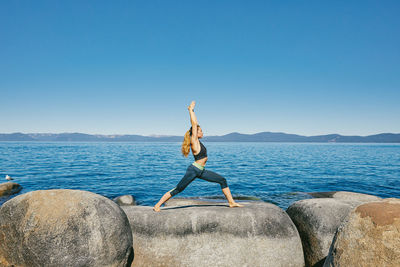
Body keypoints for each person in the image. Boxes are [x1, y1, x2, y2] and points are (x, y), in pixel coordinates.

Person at [153, 101, 244, 212]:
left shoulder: (199, 143)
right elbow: (194, 124)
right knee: (178, 189)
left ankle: (231, 202)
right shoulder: (194, 141)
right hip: (194, 170)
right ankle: (157, 205)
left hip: (201, 171)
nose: (202, 132)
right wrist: (191, 110)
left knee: (222, 180)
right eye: (201, 131)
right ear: (195, 133)